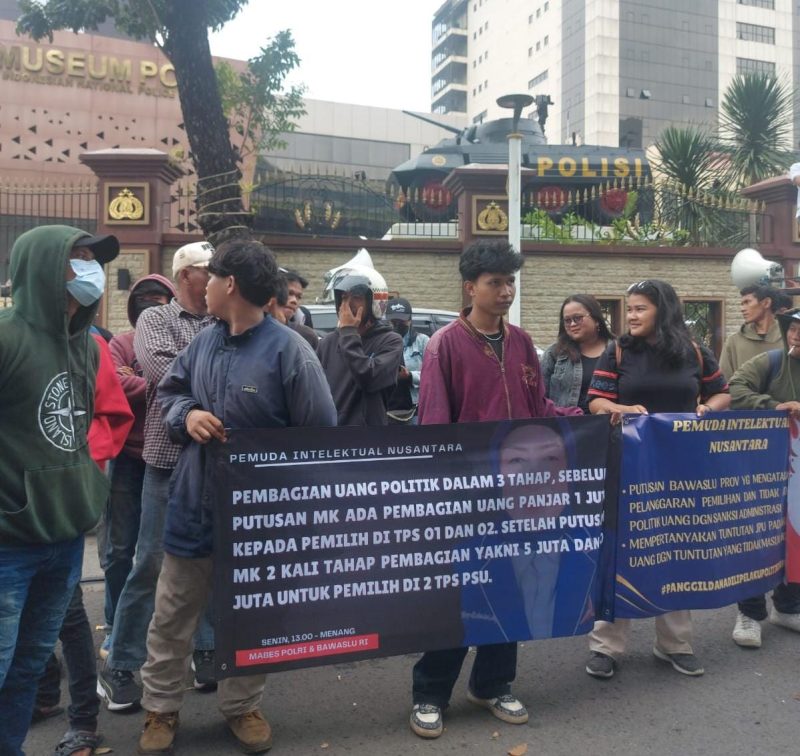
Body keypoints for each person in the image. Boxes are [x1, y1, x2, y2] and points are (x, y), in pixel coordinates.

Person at [137, 238, 337, 755]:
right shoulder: (203, 342)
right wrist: (188, 415)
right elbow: (170, 392)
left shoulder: (290, 350)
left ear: (231, 285)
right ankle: (160, 710)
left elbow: (320, 433)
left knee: (251, 615)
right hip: (193, 505)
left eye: (212, 277)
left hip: (258, 518)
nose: (204, 286)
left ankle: (242, 705)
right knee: (173, 614)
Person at [409, 239, 581, 740]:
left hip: (523, 493)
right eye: (495, 283)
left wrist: (592, 416)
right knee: (460, 594)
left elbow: (541, 408)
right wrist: (445, 497)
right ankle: (430, 693)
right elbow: (436, 425)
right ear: (470, 288)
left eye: (510, 282)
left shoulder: (524, 342)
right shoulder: (446, 343)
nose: (506, 291)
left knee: (511, 592)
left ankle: (494, 683)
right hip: (469, 497)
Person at [0, 225, 119, 756]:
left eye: (94, 259)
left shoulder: (88, 349)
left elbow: (87, 428)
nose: (91, 269)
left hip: (66, 540)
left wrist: (86, 487)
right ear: (44, 267)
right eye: (79, 258)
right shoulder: (6, 338)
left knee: (27, 667)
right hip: (9, 545)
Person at [585, 279, 730, 679]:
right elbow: (595, 401)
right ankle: (606, 646)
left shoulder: (695, 352)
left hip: (680, 469)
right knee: (620, 550)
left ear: (661, 311)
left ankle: (674, 644)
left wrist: (709, 409)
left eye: (639, 309)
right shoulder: (617, 351)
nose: (630, 316)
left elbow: (722, 393)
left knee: (674, 550)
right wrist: (620, 407)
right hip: (627, 466)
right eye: (628, 309)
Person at [98, 242, 217, 712]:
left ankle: (206, 649)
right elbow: (163, 375)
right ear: (187, 274)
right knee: (148, 562)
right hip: (166, 462)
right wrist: (219, 379)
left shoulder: (220, 319)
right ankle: (122, 664)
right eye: (209, 270)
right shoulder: (156, 320)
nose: (216, 278)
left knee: (209, 560)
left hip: (213, 461)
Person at [35, 331, 133, 756]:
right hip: (13, 513)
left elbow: (113, 415)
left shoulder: (89, 347)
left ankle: (81, 718)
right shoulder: (10, 340)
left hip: (62, 510)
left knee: (68, 615)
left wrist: (82, 473)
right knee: (20, 617)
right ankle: (41, 693)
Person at [100, 274, 176, 658]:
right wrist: (158, 379)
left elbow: (181, 379)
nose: (152, 304)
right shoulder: (120, 343)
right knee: (118, 550)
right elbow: (115, 386)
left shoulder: (176, 336)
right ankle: (116, 626)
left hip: (164, 461)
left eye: (161, 298)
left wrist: (143, 378)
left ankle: (150, 628)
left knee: (157, 554)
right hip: (128, 459)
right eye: (144, 298)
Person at [727, 307, 800, 647]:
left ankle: (787, 607)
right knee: (758, 534)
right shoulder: (770, 362)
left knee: (796, 535)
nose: (796, 334)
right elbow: (736, 389)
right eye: (792, 327)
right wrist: (772, 405)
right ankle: (750, 613)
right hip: (764, 467)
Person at [318, 269, 403, 426]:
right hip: (332, 436)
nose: (348, 304)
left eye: (356, 297)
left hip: (368, 439)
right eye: (343, 298)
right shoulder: (327, 343)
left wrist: (349, 334)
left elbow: (369, 378)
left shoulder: (390, 341)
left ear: (373, 302)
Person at [541, 294, 614, 412]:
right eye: (567, 320)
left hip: (611, 426)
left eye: (578, 318)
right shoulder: (554, 354)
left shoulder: (619, 351)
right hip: (567, 427)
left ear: (596, 319)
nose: (572, 324)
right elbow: (540, 398)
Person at [719, 285, 782, 381]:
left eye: (747, 302)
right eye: (742, 304)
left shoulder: (790, 338)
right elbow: (724, 383)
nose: (742, 309)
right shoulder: (734, 342)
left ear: (766, 303)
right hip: (743, 395)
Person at [386, 297, 430, 411]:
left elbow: (433, 375)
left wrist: (410, 376)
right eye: (394, 321)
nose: (397, 325)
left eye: (401, 321)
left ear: (410, 320)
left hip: (414, 409)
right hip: (387, 409)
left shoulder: (423, 342)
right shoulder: (381, 343)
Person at [267, 272, 319, 351]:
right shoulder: (251, 330)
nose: (294, 301)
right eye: (289, 293)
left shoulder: (306, 335)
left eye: (298, 297)